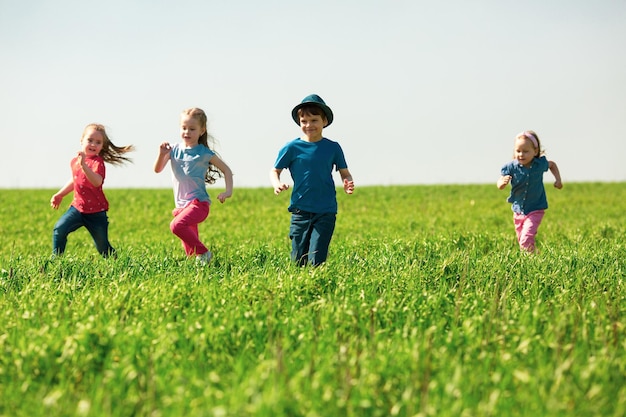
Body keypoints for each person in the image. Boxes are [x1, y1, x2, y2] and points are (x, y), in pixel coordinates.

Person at [270, 94, 355, 266]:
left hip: (326, 210)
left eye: (314, 120)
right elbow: (274, 170)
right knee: (298, 260)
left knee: (317, 258)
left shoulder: (333, 147)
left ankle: (317, 287)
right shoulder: (292, 147)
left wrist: (348, 182)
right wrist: (277, 183)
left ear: (324, 121)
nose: (309, 125)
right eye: (304, 121)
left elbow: (345, 173)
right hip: (300, 211)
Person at [154, 107, 233, 265]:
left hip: (199, 204)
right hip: (181, 206)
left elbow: (227, 170)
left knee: (176, 226)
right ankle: (201, 266)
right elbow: (157, 169)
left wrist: (227, 191)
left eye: (192, 129)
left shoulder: (204, 153)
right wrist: (162, 154)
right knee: (190, 251)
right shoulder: (174, 150)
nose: (187, 132)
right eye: (184, 128)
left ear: (202, 130)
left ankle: (205, 253)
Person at [51, 123, 134, 257]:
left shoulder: (98, 163)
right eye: (90, 140)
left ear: (102, 146)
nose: (93, 144)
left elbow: (97, 181)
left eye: (98, 142)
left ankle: (119, 263)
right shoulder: (74, 161)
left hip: (96, 213)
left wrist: (84, 165)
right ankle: (56, 260)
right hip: (77, 209)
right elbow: (75, 180)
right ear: (81, 140)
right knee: (59, 228)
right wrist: (60, 194)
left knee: (102, 248)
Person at [497, 130, 562, 253]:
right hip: (518, 211)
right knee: (522, 239)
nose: (521, 154)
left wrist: (558, 180)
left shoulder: (539, 164)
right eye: (518, 151)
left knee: (526, 239)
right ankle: (536, 256)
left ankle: (530, 261)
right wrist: (501, 183)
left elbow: (552, 165)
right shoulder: (511, 167)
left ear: (535, 151)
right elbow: (500, 179)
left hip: (536, 209)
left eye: (525, 151)